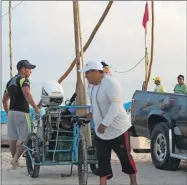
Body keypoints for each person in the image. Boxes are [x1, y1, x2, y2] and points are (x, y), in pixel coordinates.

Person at [79, 61, 138, 185]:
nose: (86, 76)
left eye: (87, 73)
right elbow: (96, 106)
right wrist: (90, 115)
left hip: (118, 130)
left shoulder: (111, 83)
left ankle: (133, 181)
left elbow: (115, 104)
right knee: (102, 161)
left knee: (125, 158)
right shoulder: (92, 87)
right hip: (101, 133)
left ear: (96, 72)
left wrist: (105, 123)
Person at [2, 60, 40, 170]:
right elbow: (27, 94)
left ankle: (15, 161)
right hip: (23, 113)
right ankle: (14, 160)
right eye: (29, 69)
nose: (30, 71)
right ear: (22, 69)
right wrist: (36, 109)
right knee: (26, 138)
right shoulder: (24, 80)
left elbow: (4, 101)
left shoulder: (10, 82)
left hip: (12, 113)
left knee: (12, 138)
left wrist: (8, 113)